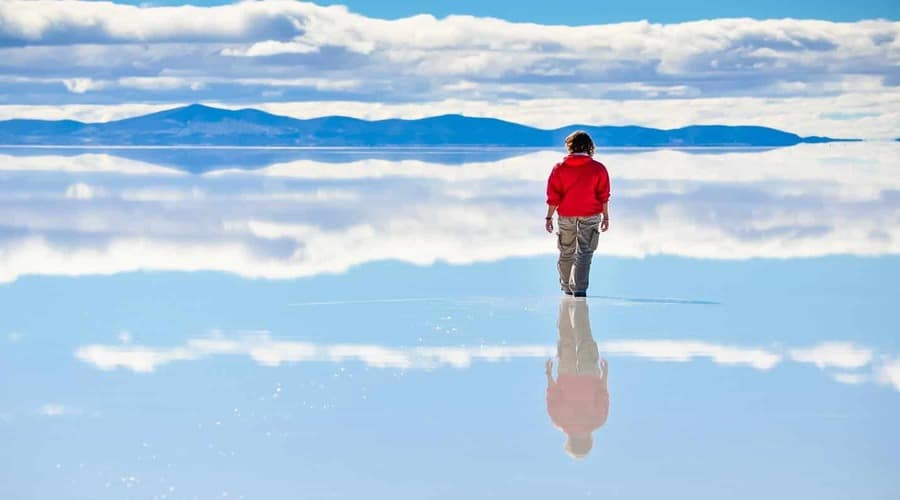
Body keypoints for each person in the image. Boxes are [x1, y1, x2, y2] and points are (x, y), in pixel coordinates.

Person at [545, 130, 610, 297]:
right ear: (589, 147)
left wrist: (549, 217)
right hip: (591, 215)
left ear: (570, 147)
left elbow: (553, 196)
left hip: (566, 215)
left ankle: (566, 288)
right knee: (585, 253)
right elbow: (603, 195)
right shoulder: (598, 168)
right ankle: (579, 291)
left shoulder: (559, 168)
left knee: (566, 251)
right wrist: (606, 216)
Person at [545, 298, 609, 459]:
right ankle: (567, 301)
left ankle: (578, 300)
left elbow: (603, 395)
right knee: (566, 335)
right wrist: (548, 374)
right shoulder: (559, 421)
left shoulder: (598, 420)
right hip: (567, 373)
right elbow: (553, 395)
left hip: (589, 374)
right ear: (570, 441)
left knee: (584, 334)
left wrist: (605, 374)